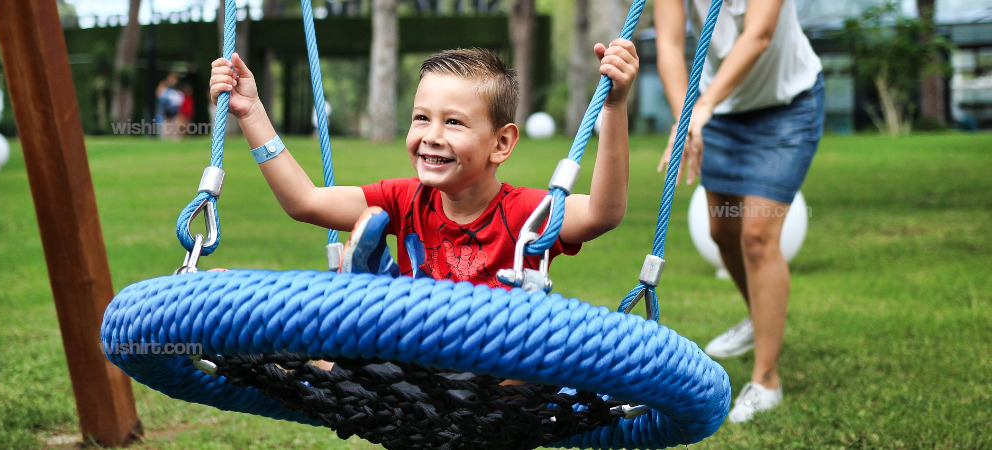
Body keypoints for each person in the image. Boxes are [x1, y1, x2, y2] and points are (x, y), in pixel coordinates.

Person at [208, 42, 638, 289]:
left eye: (453, 122)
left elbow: (603, 213)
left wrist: (614, 107)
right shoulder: (402, 201)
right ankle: (246, 312)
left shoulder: (528, 215)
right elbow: (304, 201)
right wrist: (251, 112)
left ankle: (369, 290)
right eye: (420, 118)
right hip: (415, 377)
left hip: (494, 382)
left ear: (501, 143)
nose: (431, 135)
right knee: (328, 343)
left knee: (529, 349)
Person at [653, 0, 825, 423]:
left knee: (756, 236)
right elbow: (671, 47)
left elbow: (759, 36)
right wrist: (684, 119)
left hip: (786, 108)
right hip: (720, 114)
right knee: (723, 232)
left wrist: (702, 108)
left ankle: (767, 380)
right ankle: (758, 316)